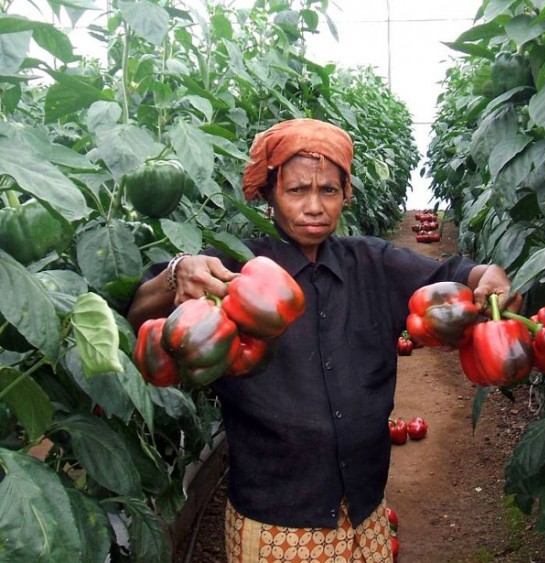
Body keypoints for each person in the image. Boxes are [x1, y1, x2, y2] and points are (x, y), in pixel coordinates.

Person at [126, 118, 522, 563]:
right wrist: (176, 271)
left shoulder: (372, 262)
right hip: (276, 517)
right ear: (269, 196)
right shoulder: (234, 269)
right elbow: (137, 312)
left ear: (346, 195)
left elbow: (447, 275)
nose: (314, 206)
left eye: (329, 191)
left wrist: (486, 275)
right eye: (297, 191)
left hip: (364, 508)